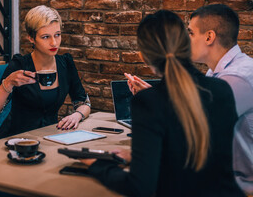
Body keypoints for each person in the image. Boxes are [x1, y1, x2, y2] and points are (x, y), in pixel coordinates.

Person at [80, 10, 244, 197]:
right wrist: (139, 158)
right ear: (186, 44)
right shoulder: (222, 89)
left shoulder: (148, 102)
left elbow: (139, 188)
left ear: (143, 56)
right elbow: (198, 159)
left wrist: (97, 166)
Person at [0, 5, 91, 139]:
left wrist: (77, 115)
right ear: (31, 38)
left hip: (50, 138)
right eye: (46, 37)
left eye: (57, 35)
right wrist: (9, 82)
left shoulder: (66, 64)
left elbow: (84, 103)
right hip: (16, 141)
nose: (54, 43)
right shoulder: (20, 64)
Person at [188, 4, 253, 194]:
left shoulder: (238, 78)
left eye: (191, 33)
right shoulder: (218, 71)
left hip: (239, 186)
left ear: (209, 37)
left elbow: (196, 124)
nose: (186, 40)